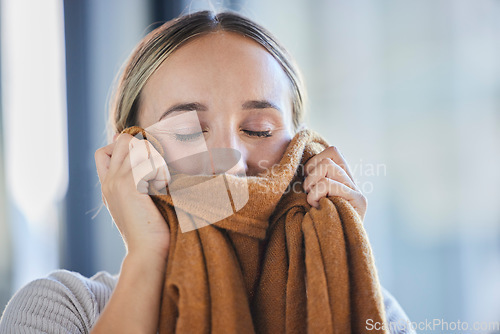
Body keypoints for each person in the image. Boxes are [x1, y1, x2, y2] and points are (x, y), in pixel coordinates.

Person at [0, 10, 414, 334]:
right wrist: (147, 257)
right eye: (190, 132)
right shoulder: (62, 309)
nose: (231, 158)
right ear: (131, 154)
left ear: (304, 152)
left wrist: (338, 260)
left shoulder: (377, 312)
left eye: (259, 130)